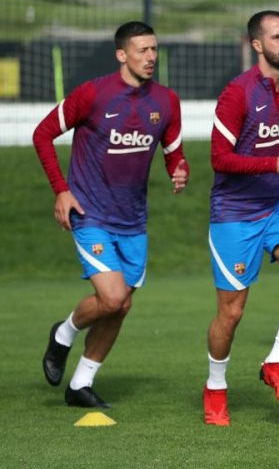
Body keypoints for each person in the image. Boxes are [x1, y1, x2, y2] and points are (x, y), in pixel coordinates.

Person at [36, 21, 188, 408]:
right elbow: (42, 134)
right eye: (142, 50)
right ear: (122, 54)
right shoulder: (93, 94)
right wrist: (61, 191)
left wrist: (179, 170)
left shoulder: (167, 101)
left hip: (133, 220)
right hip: (90, 213)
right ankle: (63, 335)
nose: (151, 57)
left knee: (121, 305)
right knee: (112, 296)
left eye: (154, 49)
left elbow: (173, 151)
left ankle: (80, 384)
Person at [202, 10, 279, 427]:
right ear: (257, 45)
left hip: (278, 205)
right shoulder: (236, 94)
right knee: (231, 314)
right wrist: (275, 164)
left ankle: (276, 362)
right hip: (234, 213)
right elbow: (219, 159)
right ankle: (215, 387)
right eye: (276, 37)